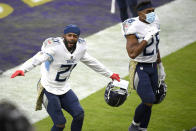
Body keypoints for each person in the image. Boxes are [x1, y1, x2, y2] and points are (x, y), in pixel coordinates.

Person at [11, 24, 120, 131]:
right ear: (64, 35)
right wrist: (23, 69)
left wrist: (110, 74)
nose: (72, 38)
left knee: (79, 114)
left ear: (78, 37)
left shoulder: (80, 49)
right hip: (48, 88)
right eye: (69, 35)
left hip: (64, 88)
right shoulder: (55, 47)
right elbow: (38, 58)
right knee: (60, 124)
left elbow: (92, 62)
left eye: (75, 36)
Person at [122, 1, 166, 131]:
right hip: (139, 67)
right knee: (148, 99)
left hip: (153, 66)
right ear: (140, 14)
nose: (152, 14)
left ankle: (143, 128)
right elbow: (132, 53)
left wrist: (160, 65)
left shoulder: (155, 21)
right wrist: (146, 38)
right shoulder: (133, 29)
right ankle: (134, 125)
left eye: (153, 10)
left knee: (150, 103)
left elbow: (155, 46)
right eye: (148, 12)